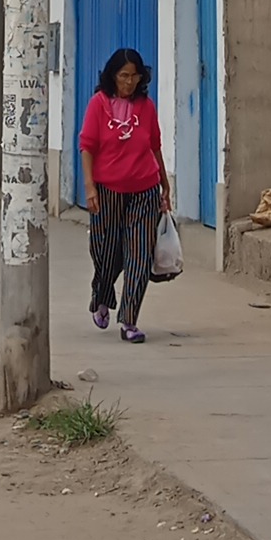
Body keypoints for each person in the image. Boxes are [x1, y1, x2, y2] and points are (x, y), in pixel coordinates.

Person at [78, 44, 171, 342]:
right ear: (113, 76)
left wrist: (165, 183)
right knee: (106, 251)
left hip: (144, 189)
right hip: (107, 190)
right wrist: (89, 187)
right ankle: (102, 295)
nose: (129, 82)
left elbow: (154, 146)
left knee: (140, 255)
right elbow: (87, 146)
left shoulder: (147, 106)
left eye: (135, 76)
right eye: (123, 76)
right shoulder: (98, 104)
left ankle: (129, 320)